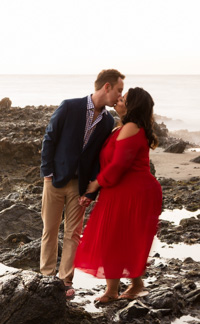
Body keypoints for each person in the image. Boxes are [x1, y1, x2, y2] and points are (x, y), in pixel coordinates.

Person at [40, 69, 125, 299]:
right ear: (106, 87)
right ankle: (46, 277)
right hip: (56, 180)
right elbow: (50, 137)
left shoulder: (108, 121)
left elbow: (100, 157)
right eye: (118, 90)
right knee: (50, 229)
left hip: (81, 186)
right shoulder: (69, 106)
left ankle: (65, 281)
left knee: (73, 234)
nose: (119, 96)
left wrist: (91, 191)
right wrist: (47, 172)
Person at [74, 87, 163, 302]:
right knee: (118, 238)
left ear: (132, 106)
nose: (118, 100)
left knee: (116, 238)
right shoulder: (122, 127)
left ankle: (116, 290)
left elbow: (119, 164)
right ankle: (131, 285)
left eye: (123, 99)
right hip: (120, 190)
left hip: (133, 191)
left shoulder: (131, 127)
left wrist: (95, 184)